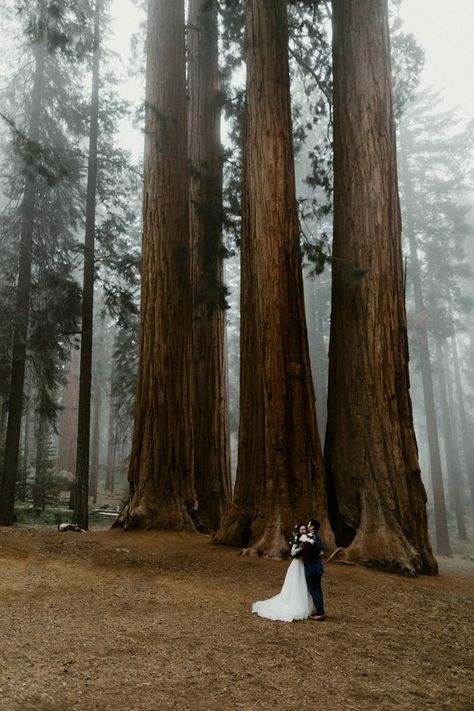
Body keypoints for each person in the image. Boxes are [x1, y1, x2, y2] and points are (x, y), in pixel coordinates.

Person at [251, 524, 313, 622]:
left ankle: (303, 605)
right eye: (301, 529)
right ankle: (293, 603)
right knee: (295, 583)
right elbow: (293, 552)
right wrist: (300, 548)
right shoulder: (297, 539)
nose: (303, 530)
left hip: (304, 564)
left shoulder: (309, 538)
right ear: (299, 530)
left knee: (303, 583)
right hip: (297, 564)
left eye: (305, 529)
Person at [303, 518, 326, 621]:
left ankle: (320, 613)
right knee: (318, 590)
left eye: (309, 524)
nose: (307, 525)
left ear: (312, 527)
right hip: (317, 568)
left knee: (314, 590)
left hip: (312, 569)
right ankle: (320, 610)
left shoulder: (312, 537)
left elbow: (315, 548)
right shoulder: (318, 537)